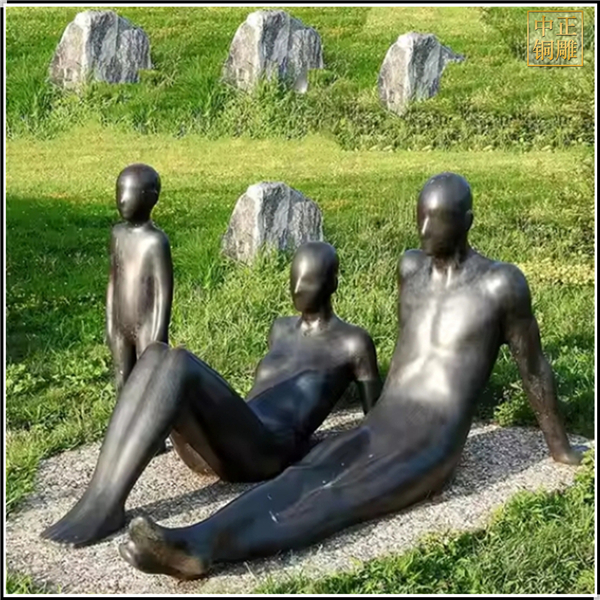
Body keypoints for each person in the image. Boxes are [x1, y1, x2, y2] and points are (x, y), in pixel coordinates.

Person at [118, 172, 583, 581]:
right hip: (384, 420)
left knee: (341, 495)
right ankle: (196, 537)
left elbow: (534, 367)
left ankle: (207, 549)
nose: (424, 230)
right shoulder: (411, 269)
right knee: (302, 476)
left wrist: (559, 448)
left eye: (437, 220)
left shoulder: (501, 285)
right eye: (421, 216)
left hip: (432, 436)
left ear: (467, 221)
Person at [41, 241, 381, 547]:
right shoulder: (280, 329)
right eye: (294, 278)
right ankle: (99, 493)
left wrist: (324, 449)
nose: (297, 288)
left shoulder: (353, 343)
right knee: (156, 353)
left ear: (333, 282)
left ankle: (106, 505)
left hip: (263, 453)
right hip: (218, 447)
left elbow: (378, 420)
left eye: (308, 280)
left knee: (180, 363)